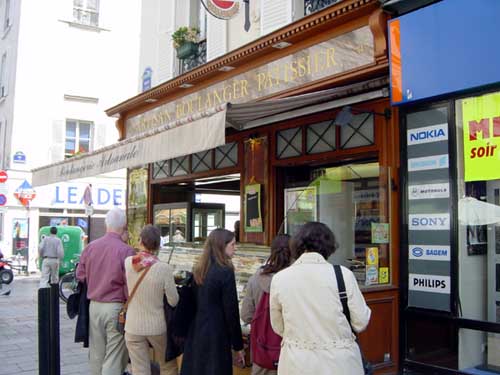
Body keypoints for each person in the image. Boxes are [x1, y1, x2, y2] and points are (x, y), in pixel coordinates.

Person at [270, 222, 371, 375]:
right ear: (328, 246)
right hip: (340, 363)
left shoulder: (280, 278)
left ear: (297, 245)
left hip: (296, 363)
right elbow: (360, 322)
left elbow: (278, 326)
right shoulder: (343, 275)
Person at [76, 208, 136, 375]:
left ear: (106, 224)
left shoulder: (91, 247)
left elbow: (80, 275)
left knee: (97, 352)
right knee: (115, 354)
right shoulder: (126, 251)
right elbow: (129, 283)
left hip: (94, 306)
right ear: (124, 226)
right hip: (116, 307)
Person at [180, 228, 245, 375]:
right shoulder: (225, 271)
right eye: (233, 245)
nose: (235, 248)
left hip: (196, 330)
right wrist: (238, 346)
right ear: (222, 245)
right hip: (217, 334)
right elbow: (231, 311)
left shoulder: (199, 268)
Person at [124, 224, 179, 375]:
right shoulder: (164, 269)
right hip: (156, 327)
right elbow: (173, 301)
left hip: (132, 326)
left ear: (140, 240)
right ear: (158, 244)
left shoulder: (128, 263)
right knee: (168, 366)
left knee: (139, 369)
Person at [241, 234, 292, 375]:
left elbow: (246, 315)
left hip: (262, 350)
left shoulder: (255, 279)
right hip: (290, 351)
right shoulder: (296, 279)